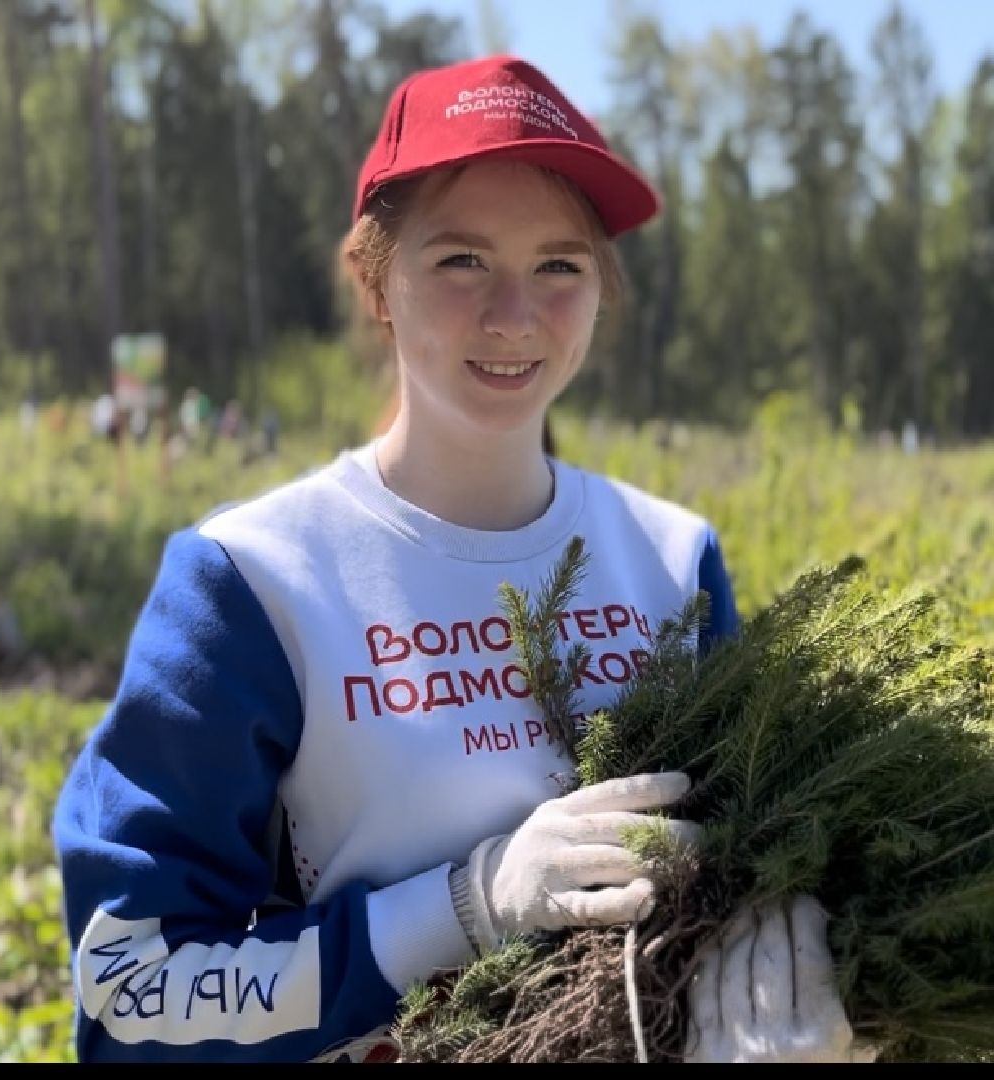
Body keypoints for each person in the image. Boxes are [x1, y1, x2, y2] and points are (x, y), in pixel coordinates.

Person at [50, 54, 861, 1064]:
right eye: (462, 261)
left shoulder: (670, 559)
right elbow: (134, 990)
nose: (514, 314)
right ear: (375, 280)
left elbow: (745, 871)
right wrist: (465, 905)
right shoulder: (253, 582)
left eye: (559, 265)